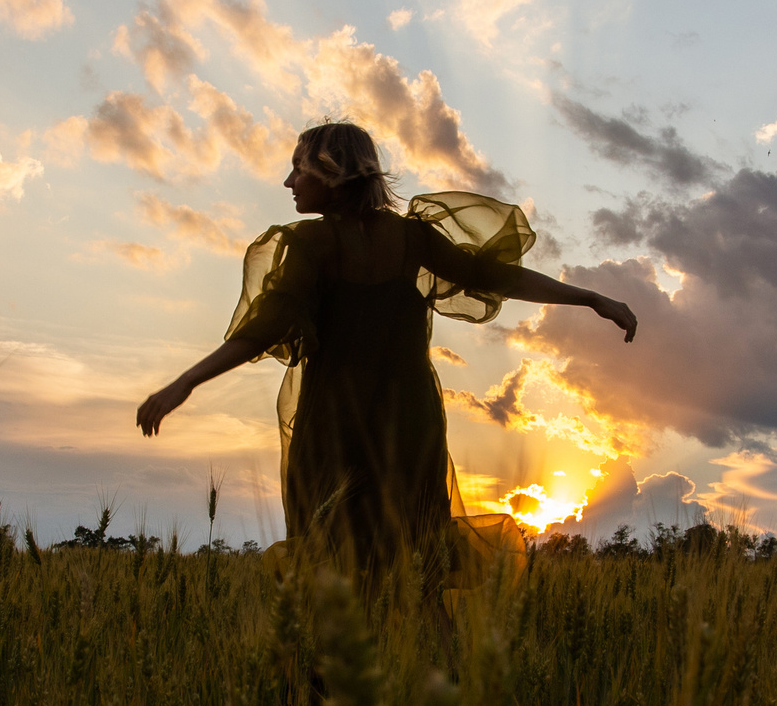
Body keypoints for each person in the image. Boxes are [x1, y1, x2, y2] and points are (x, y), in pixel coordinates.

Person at [137, 121, 637, 579]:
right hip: (409, 421)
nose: (289, 182)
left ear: (331, 173)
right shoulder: (410, 237)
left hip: (334, 423)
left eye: (298, 168)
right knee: (418, 557)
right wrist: (589, 298)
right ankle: (439, 649)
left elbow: (259, 332)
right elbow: (495, 276)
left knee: (335, 560)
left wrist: (186, 382)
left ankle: (351, 649)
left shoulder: (310, 245)